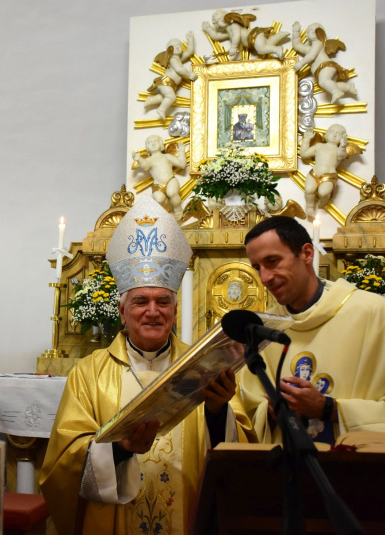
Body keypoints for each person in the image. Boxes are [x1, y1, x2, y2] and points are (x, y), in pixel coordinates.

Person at [40, 195, 254, 535]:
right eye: (140, 301)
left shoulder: (204, 366)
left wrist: (217, 411)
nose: (153, 311)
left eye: (163, 302)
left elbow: (242, 460)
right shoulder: (89, 374)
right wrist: (120, 450)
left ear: (175, 311)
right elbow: (62, 465)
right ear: (122, 312)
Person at [241, 216, 385, 445]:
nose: (265, 277)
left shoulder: (372, 313)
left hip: (359, 465)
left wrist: (329, 409)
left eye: (273, 261)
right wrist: (272, 413)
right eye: (258, 268)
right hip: (288, 465)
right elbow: (246, 419)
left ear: (307, 253)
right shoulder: (265, 329)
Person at [300, 124, 360, 218]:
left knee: (323, 192)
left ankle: (324, 199)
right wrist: (307, 139)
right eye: (332, 132)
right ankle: (309, 207)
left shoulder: (339, 150)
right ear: (326, 134)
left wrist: (343, 146)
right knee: (309, 190)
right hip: (314, 173)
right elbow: (303, 154)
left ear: (342, 138)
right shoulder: (319, 146)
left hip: (329, 176)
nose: (334, 135)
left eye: (338, 134)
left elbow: (341, 155)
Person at [292, 22, 357, 104]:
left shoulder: (318, 43)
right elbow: (297, 46)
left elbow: (312, 56)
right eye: (308, 31)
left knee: (323, 81)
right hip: (321, 69)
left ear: (319, 33)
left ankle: (336, 92)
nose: (308, 33)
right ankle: (349, 87)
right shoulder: (310, 48)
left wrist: (301, 63)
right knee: (329, 84)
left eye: (311, 31)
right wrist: (296, 32)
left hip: (326, 66)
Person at [144, 34, 197, 121]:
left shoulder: (178, 58)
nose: (177, 47)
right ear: (169, 49)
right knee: (171, 97)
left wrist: (190, 40)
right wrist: (189, 74)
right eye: (174, 45)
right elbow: (179, 69)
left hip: (170, 84)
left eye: (179, 45)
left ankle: (151, 100)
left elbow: (189, 52)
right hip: (166, 82)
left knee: (164, 98)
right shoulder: (173, 59)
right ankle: (161, 110)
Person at [132, 135, 187, 220]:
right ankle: (172, 206)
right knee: (159, 199)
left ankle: (178, 209)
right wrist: (139, 159)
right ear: (147, 147)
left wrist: (181, 152)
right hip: (157, 184)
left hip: (170, 180)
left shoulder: (167, 156)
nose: (153, 143)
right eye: (150, 142)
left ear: (161, 144)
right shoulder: (149, 160)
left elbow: (182, 165)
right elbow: (145, 166)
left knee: (171, 192)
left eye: (155, 141)